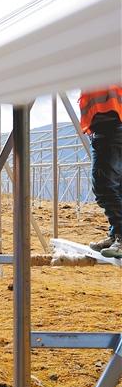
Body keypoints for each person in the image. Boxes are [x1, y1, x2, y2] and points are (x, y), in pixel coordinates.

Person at [80, 85, 122, 258]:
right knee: (117, 186)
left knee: (104, 187)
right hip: (112, 125)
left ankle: (120, 236)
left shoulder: (99, 71)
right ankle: (115, 234)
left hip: (109, 127)